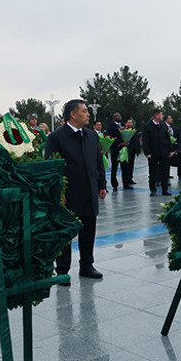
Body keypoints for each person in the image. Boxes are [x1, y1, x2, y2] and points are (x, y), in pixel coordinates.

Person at [44, 99, 107, 282]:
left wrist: (101, 185)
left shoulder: (91, 135)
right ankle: (62, 270)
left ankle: (87, 265)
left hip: (89, 190)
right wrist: (59, 193)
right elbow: (52, 167)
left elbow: (98, 163)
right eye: (84, 111)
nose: (88, 114)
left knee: (89, 229)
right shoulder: (57, 137)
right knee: (66, 233)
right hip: (69, 194)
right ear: (73, 114)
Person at [143, 109, 174, 196]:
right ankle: (153, 189)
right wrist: (147, 152)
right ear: (156, 116)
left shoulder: (163, 125)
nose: (162, 116)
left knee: (165, 171)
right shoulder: (148, 126)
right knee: (152, 172)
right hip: (153, 153)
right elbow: (146, 140)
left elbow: (168, 138)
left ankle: (165, 189)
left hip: (164, 152)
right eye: (161, 115)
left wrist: (170, 150)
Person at [106, 112, 126, 191]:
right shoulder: (110, 126)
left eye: (119, 116)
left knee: (125, 167)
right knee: (114, 167)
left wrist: (126, 142)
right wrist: (119, 143)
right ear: (114, 117)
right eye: (117, 116)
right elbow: (109, 137)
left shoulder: (123, 125)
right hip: (115, 149)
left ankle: (126, 183)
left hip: (123, 150)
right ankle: (114, 184)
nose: (119, 117)